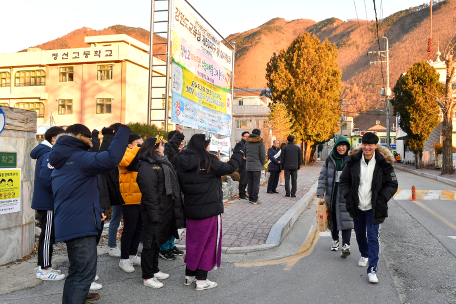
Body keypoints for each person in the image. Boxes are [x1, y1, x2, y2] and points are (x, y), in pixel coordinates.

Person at [49, 123, 130, 304]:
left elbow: (75, 190)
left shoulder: (63, 158)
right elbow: (111, 159)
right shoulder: (79, 157)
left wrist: (96, 210)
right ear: (83, 138)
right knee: (85, 274)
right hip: (80, 224)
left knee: (76, 272)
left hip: (71, 221)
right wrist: (123, 131)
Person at [176, 134, 242, 290]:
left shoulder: (181, 160)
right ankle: (201, 280)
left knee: (192, 243)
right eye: (208, 144)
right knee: (208, 244)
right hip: (209, 210)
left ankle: (189, 276)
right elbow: (231, 168)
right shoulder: (208, 161)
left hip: (191, 210)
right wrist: (239, 150)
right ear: (203, 145)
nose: (209, 147)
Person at [339, 132, 398, 284]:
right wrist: (348, 195)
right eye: (365, 144)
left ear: (375, 146)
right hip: (357, 206)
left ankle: (372, 268)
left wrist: (382, 199)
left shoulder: (383, 163)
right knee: (359, 234)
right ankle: (364, 254)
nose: (367, 147)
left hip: (374, 207)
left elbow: (392, 184)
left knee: (372, 237)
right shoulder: (353, 162)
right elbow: (344, 181)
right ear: (362, 145)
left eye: (370, 145)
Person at [136, 132, 185, 289]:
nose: (164, 147)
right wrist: (155, 214)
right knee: (150, 244)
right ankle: (147, 276)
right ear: (155, 148)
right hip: (154, 211)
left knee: (157, 242)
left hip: (164, 209)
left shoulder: (161, 162)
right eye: (162, 145)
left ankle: (154, 269)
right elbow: (150, 194)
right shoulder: (147, 167)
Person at [31, 126, 66, 281]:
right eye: (62, 137)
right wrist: (59, 191)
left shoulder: (47, 152)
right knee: (47, 236)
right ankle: (43, 269)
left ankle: (45, 266)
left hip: (48, 201)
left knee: (49, 235)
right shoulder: (48, 154)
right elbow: (47, 179)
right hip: (48, 201)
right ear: (54, 139)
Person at [317, 136, 353, 257]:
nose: (341, 148)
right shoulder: (330, 159)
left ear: (347, 147)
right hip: (332, 194)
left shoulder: (352, 160)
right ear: (336, 146)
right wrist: (320, 190)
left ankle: (346, 245)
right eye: (339, 145)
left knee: (347, 219)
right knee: (333, 219)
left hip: (346, 195)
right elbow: (323, 176)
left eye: (344, 146)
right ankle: (335, 240)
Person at [117, 133, 144, 273]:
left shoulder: (138, 155)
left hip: (141, 197)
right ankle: (124, 259)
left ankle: (133, 255)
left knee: (139, 229)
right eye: (138, 143)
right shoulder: (123, 153)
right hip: (129, 198)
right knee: (129, 229)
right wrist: (137, 148)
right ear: (129, 144)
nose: (140, 146)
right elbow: (127, 164)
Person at [159, 129, 185, 261]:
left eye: (182, 142)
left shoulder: (178, 153)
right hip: (167, 193)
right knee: (167, 222)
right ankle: (164, 248)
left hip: (176, 191)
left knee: (175, 221)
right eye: (179, 141)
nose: (181, 144)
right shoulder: (165, 155)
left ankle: (171, 244)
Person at [99, 124, 125, 258]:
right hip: (117, 188)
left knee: (125, 219)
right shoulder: (111, 145)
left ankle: (124, 246)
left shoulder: (122, 144)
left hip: (125, 188)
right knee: (115, 218)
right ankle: (112, 245)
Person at [245, 129, 265, 205]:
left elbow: (246, 153)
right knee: (256, 183)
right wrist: (262, 164)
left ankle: (250, 198)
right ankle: (254, 199)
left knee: (250, 182)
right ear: (259, 135)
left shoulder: (247, 142)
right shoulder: (260, 143)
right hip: (257, 166)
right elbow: (262, 155)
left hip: (248, 165)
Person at [238, 131, 250, 200]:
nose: (247, 138)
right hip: (242, 164)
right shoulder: (240, 144)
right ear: (242, 137)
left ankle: (244, 193)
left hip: (247, 163)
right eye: (246, 136)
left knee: (246, 180)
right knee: (243, 180)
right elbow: (242, 155)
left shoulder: (247, 144)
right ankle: (241, 194)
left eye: (249, 136)